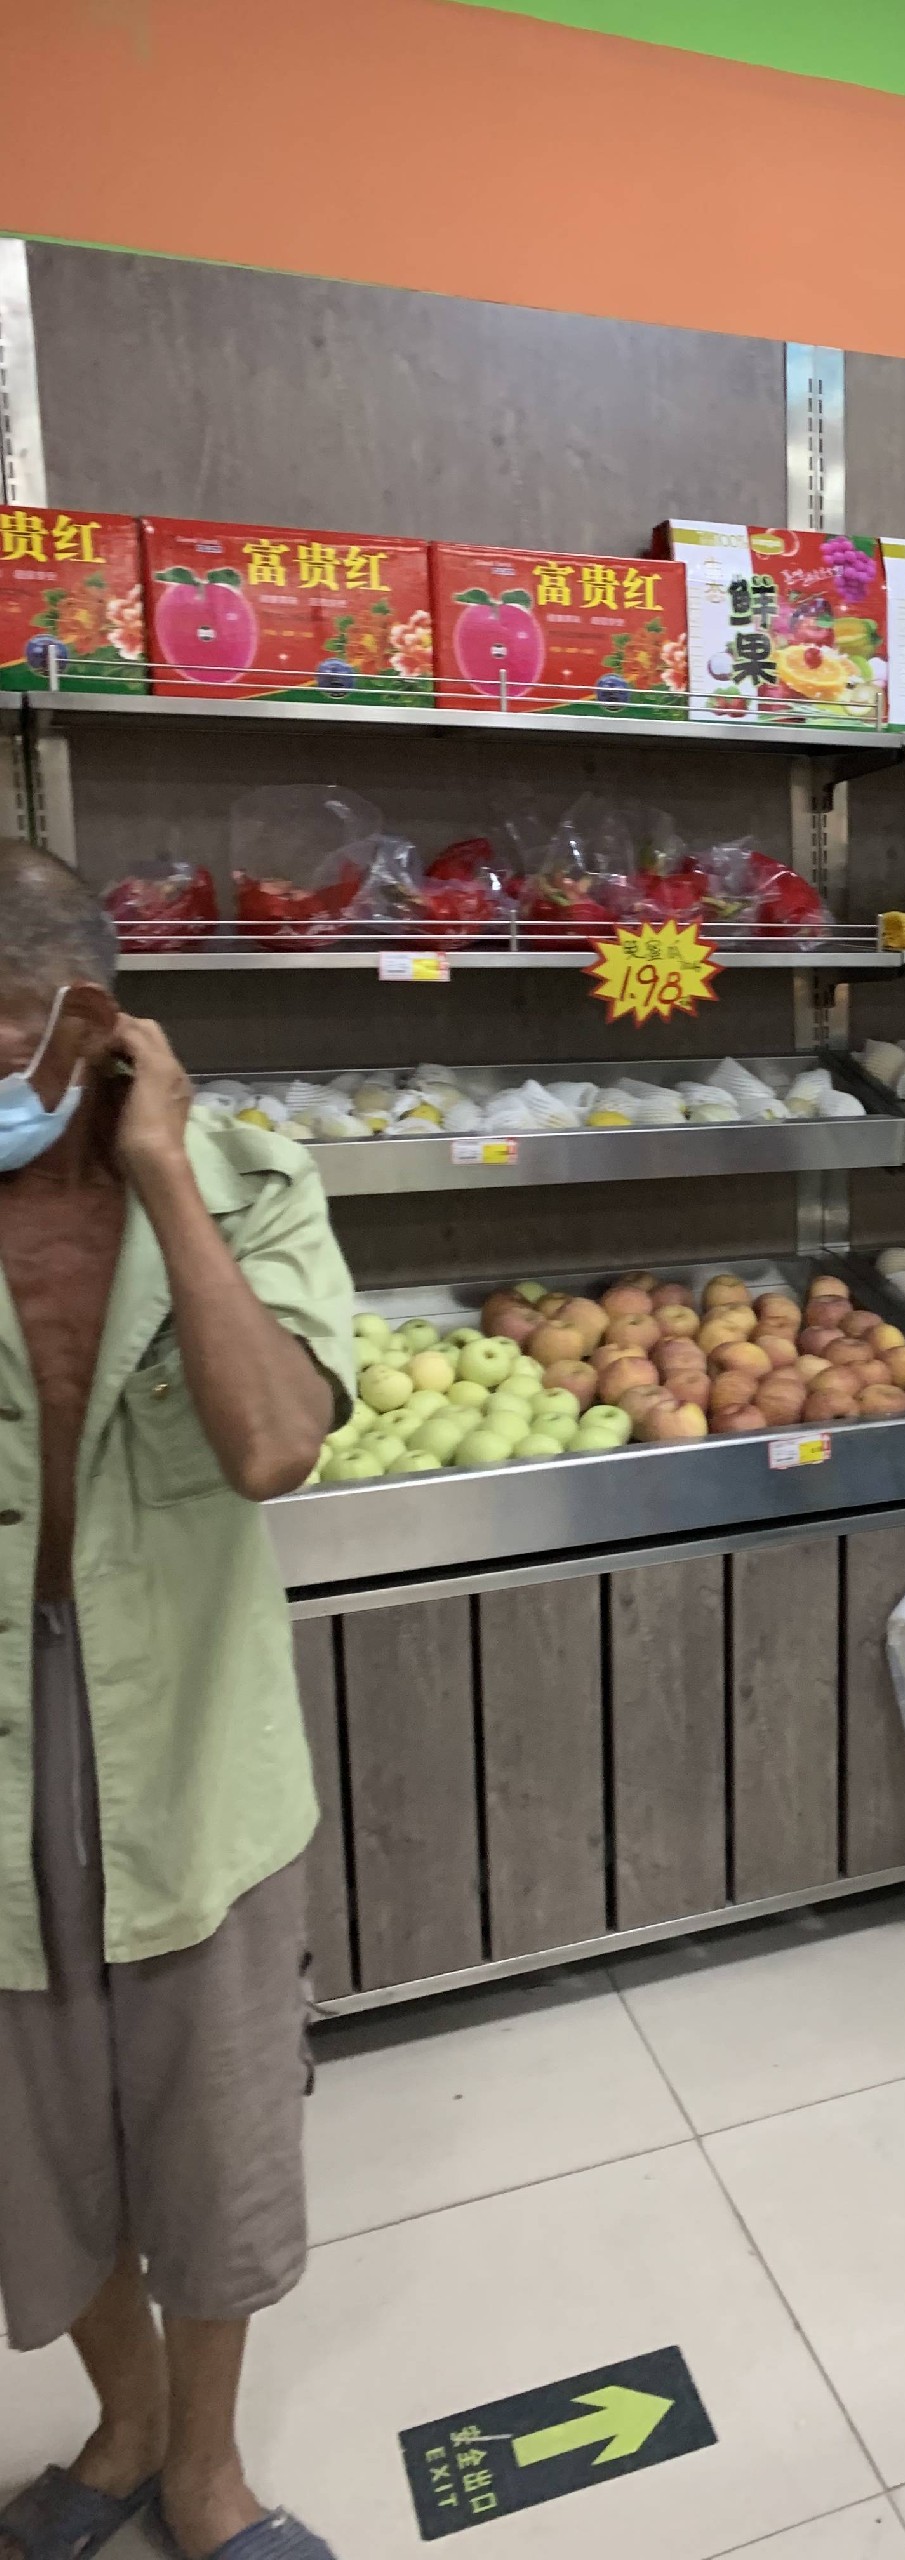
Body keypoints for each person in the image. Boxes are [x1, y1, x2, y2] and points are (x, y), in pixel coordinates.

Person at [0, 842, 354, 2560]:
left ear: (91, 1016)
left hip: (196, 1729)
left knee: (214, 2121)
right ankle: (124, 2419)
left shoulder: (245, 1179)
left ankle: (205, 2469)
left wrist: (160, 1175)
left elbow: (276, 1441)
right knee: (32, 2128)